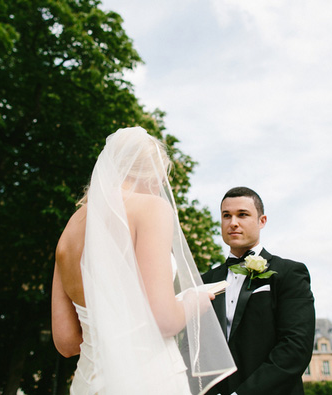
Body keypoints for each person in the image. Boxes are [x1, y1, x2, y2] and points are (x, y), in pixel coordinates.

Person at [51, 127, 236, 395]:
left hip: (87, 385)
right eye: (159, 180)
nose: (159, 189)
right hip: (148, 380)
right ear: (148, 172)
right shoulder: (151, 208)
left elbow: (66, 342)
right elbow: (164, 320)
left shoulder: (70, 230)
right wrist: (195, 301)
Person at [202, 187, 316, 395]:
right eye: (226, 215)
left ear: (261, 221)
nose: (233, 222)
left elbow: (295, 348)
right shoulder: (205, 280)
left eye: (242, 215)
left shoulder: (289, 273)